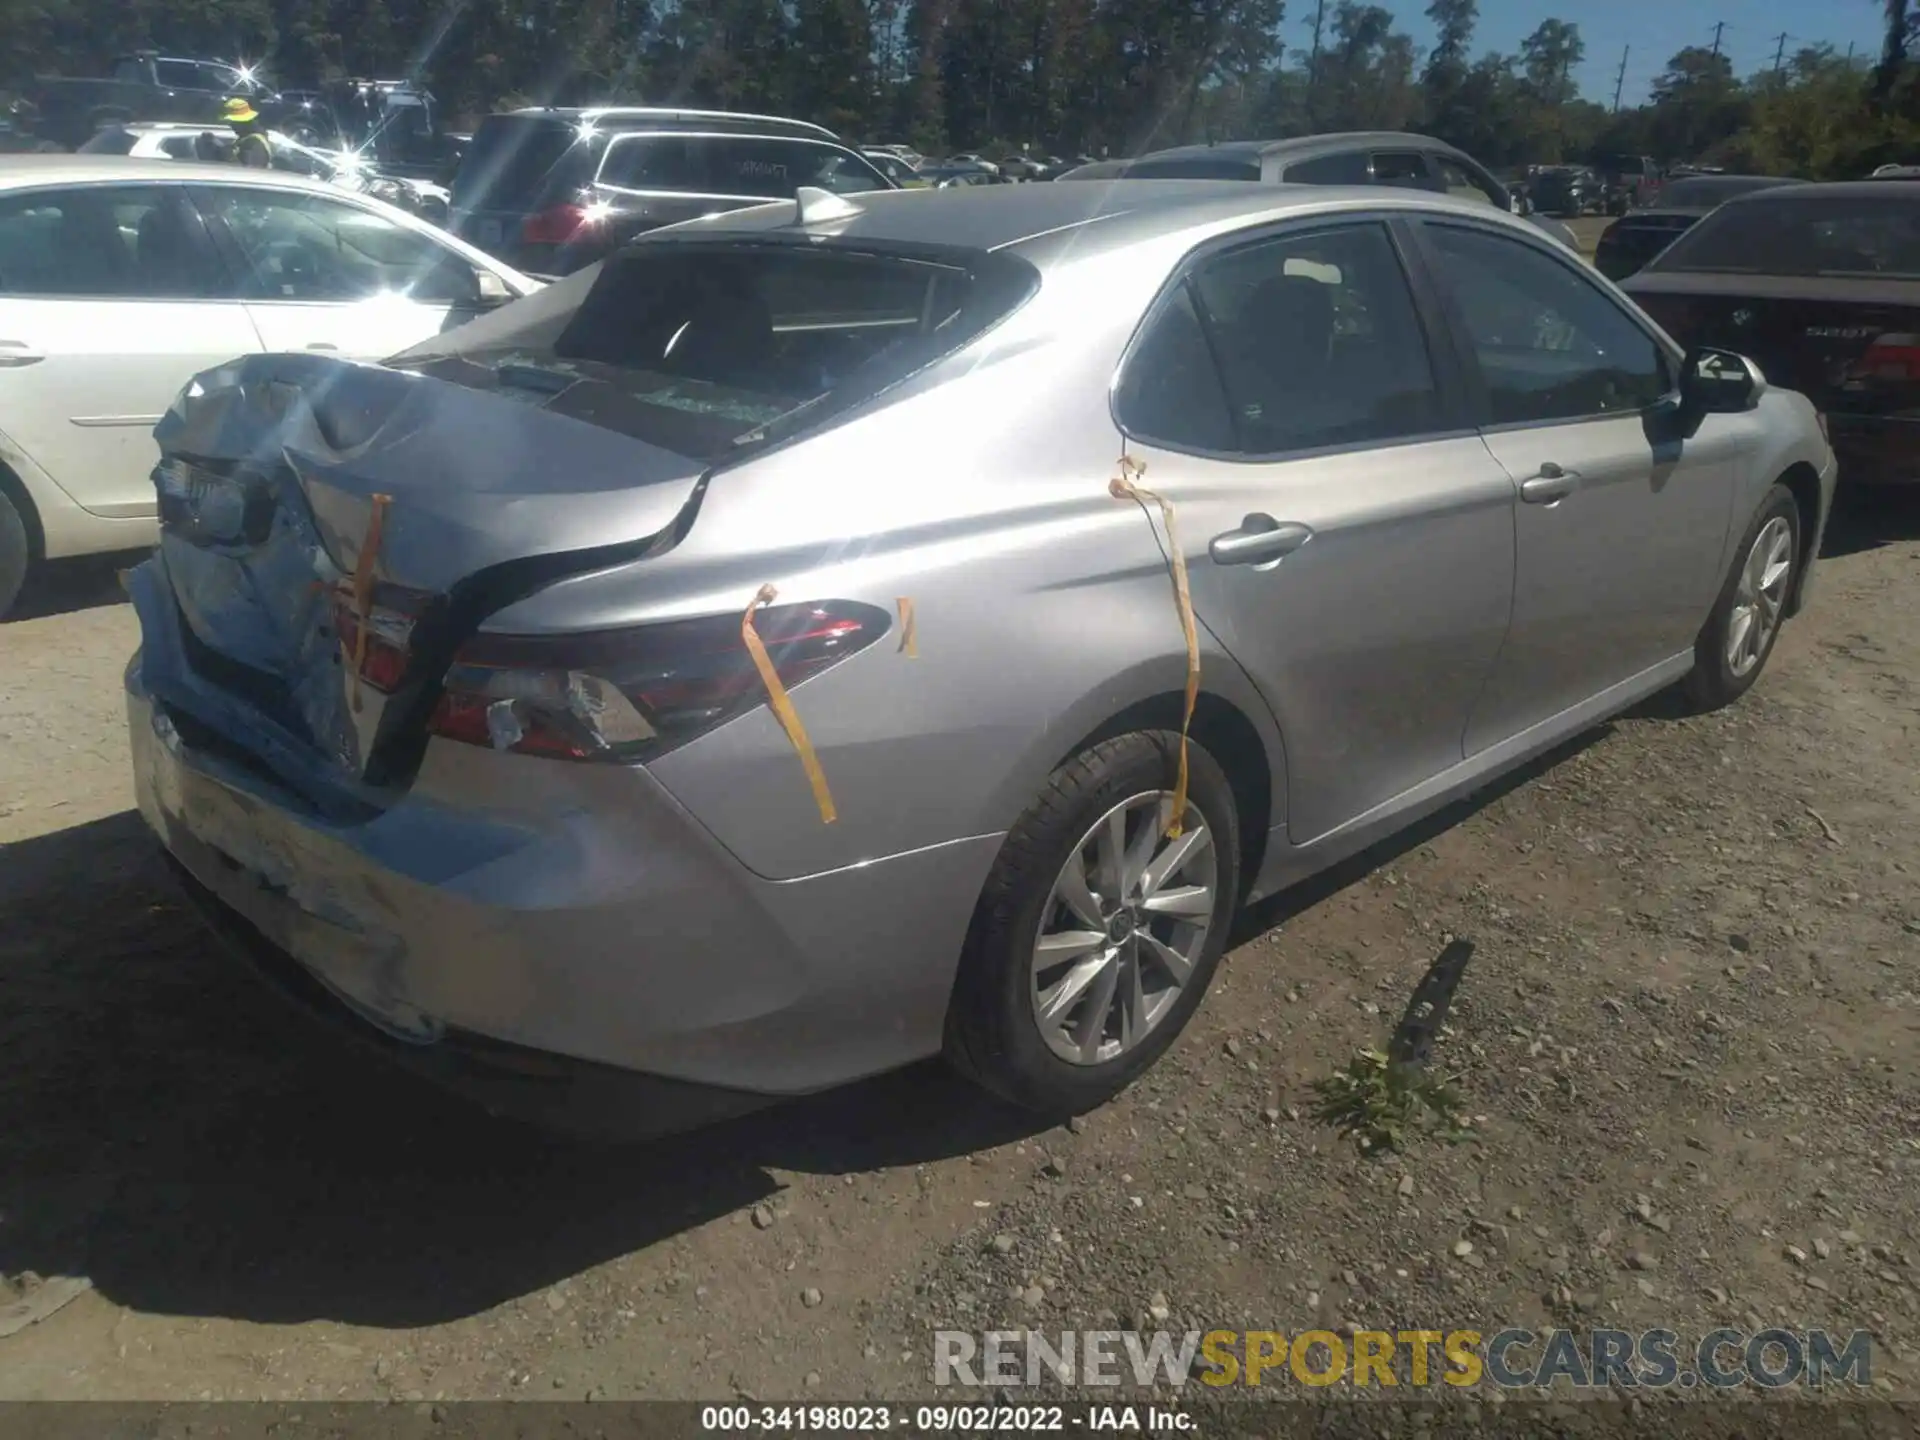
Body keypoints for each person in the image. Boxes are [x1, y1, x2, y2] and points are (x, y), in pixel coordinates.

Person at [221, 96, 272, 167]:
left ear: (241, 122)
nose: (231, 126)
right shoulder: (245, 140)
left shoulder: (253, 143)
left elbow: (250, 170)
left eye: (232, 122)